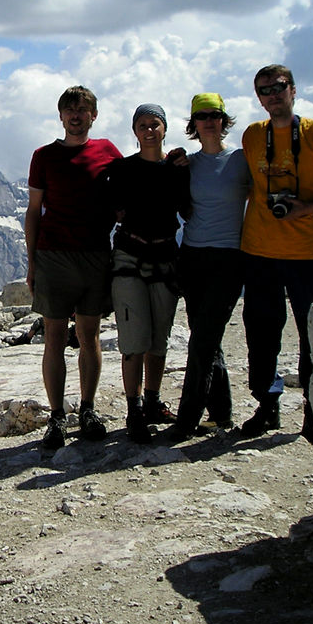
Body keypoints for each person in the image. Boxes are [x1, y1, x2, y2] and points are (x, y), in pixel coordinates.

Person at [239, 64, 313, 446]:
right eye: (264, 90)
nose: (272, 95)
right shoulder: (253, 135)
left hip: (306, 252)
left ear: (293, 90)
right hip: (258, 249)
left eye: (278, 87)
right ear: (258, 97)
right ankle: (267, 404)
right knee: (261, 332)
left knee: (312, 334)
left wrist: (305, 209)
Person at [26, 85, 123, 450]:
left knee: (89, 335)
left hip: (95, 254)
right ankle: (56, 417)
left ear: (93, 115)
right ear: (61, 116)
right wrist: (32, 262)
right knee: (54, 337)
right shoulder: (44, 156)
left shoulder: (108, 152)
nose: (76, 115)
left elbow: (127, 190)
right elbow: (34, 211)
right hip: (54, 255)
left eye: (83, 109)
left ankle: (87, 408)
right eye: (70, 109)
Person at [167, 93, 250, 442]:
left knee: (201, 339)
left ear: (223, 120)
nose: (209, 121)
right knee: (206, 334)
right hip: (193, 255)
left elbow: (270, 190)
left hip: (230, 258)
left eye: (214, 115)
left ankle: (187, 418)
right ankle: (221, 413)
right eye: (202, 116)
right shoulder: (189, 164)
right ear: (194, 124)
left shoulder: (243, 160)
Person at [106, 104, 190, 443]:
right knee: (134, 339)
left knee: (159, 338)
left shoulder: (177, 168)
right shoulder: (123, 169)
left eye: (154, 124)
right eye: (143, 125)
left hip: (163, 256)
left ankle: (151, 403)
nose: (149, 130)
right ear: (135, 131)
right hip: (133, 257)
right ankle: (135, 409)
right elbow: (112, 207)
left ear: (164, 128)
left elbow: (188, 206)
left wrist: (183, 165)